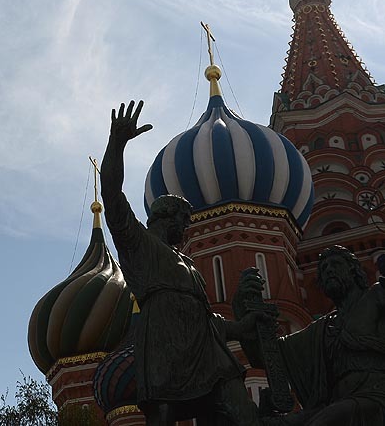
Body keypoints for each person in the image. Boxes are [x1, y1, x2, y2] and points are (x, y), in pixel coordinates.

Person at [100, 100, 263, 425]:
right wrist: (116, 146)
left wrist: (241, 327)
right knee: (163, 413)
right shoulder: (139, 243)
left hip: (207, 352)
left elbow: (206, 318)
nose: (187, 228)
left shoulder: (188, 266)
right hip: (163, 345)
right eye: (184, 221)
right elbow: (112, 195)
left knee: (237, 411)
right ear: (165, 217)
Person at [236, 245, 385, 425]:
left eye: (335, 264)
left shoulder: (377, 296)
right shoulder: (323, 328)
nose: (329, 270)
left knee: (329, 418)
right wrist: (242, 309)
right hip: (336, 402)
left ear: (354, 271)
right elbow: (267, 356)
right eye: (323, 269)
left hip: (375, 395)